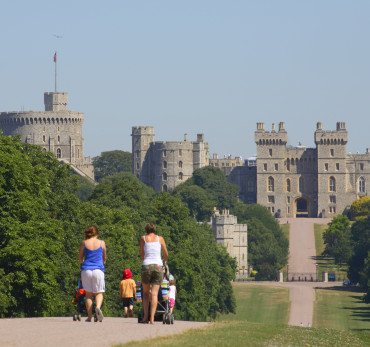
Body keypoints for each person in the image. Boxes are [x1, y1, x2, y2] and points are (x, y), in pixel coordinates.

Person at [140, 222, 168, 324]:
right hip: (158, 266)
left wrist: (145, 260)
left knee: (146, 293)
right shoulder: (160, 239)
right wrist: (163, 261)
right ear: (154, 230)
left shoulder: (143, 238)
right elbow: (166, 254)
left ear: (146, 230)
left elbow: (141, 253)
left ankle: (145, 317)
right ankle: (152, 318)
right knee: (155, 293)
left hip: (147, 265)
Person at [79, 225, 106, 322]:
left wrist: (81, 262)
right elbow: (104, 257)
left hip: (86, 270)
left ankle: (89, 317)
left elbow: (80, 258)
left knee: (88, 295)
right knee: (99, 293)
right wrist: (103, 262)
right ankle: (98, 307)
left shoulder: (84, 243)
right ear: (97, 233)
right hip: (98, 270)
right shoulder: (102, 243)